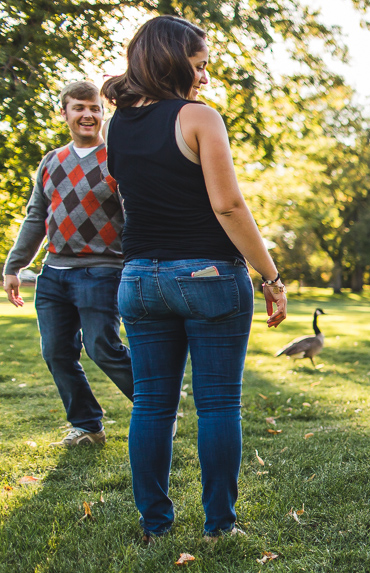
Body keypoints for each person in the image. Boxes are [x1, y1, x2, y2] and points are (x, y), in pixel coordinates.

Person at [101, 15, 287, 542]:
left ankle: (155, 525)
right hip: (207, 275)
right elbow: (227, 206)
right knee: (219, 402)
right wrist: (270, 275)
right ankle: (219, 526)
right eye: (200, 66)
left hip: (138, 279)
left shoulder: (118, 123)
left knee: (152, 402)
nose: (205, 78)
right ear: (170, 60)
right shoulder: (199, 118)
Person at [2, 81, 133, 446]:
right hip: (54, 274)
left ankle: (156, 405)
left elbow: (133, 215)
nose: (87, 114)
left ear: (102, 113)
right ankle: (88, 426)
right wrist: (14, 266)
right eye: (79, 107)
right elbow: (35, 217)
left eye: (94, 108)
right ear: (65, 113)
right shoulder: (51, 161)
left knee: (102, 346)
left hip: (103, 270)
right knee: (56, 352)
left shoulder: (116, 159)